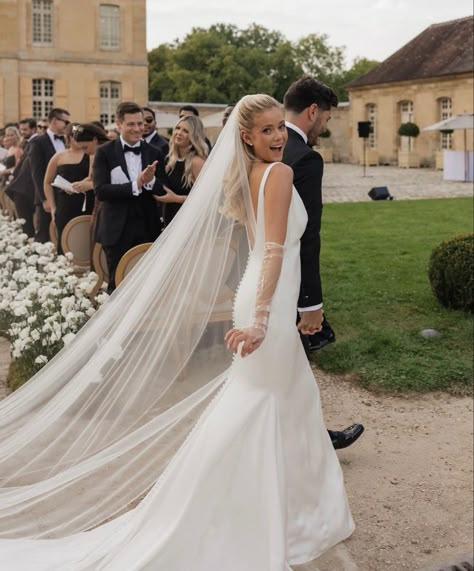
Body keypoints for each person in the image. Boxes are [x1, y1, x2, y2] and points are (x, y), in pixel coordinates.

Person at [0, 94, 353, 569]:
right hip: (263, 303)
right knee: (260, 403)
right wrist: (263, 317)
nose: (276, 138)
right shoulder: (279, 173)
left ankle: (289, 510)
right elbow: (271, 251)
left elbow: (264, 251)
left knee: (285, 400)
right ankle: (235, 511)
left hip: (264, 296)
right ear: (246, 135)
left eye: (278, 129)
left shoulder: (248, 174)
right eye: (266, 130)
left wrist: (271, 305)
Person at [283, 75, 364, 449]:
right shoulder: (305, 158)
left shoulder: (259, 147)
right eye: (327, 119)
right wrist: (311, 302)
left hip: (253, 274)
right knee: (292, 367)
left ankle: (307, 435)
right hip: (286, 278)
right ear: (313, 111)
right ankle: (307, 441)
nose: (325, 128)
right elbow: (307, 234)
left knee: (278, 368)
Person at [92, 101, 166, 293]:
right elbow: (101, 191)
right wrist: (137, 184)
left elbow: (161, 189)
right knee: (117, 285)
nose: (137, 128)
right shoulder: (104, 152)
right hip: (115, 228)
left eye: (140, 124)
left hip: (147, 227)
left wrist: (149, 182)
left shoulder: (155, 152)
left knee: (147, 286)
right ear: (119, 125)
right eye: (131, 124)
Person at [43, 123, 109, 252]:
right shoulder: (58, 156)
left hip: (87, 201)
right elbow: (47, 182)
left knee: (86, 240)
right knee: (65, 240)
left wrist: (82, 185)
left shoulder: (91, 153)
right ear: (68, 138)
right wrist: (53, 207)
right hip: (65, 204)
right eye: (74, 137)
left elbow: (92, 177)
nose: (78, 142)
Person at [155, 114, 207, 227]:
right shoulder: (169, 159)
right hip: (169, 219)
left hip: (189, 222)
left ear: (194, 136)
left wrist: (177, 198)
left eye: (185, 131)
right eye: (177, 128)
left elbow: (206, 199)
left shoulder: (197, 162)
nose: (179, 133)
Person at [29, 107, 71, 242]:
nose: (67, 125)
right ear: (54, 121)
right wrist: (44, 198)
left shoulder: (68, 141)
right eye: (65, 122)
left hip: (65, 194)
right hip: (47, 195)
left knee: (63, 234)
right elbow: (37, 172)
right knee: (44, 234)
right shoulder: (38, 142)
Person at [5, 120, 40, 237]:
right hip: (20, 187)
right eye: (21, 129)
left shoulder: (34, 143)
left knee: (29, 226)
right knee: (25, 224)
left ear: (34, 129)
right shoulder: (29, 143)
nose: (23, 132)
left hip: (27, 189)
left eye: (25, 129)